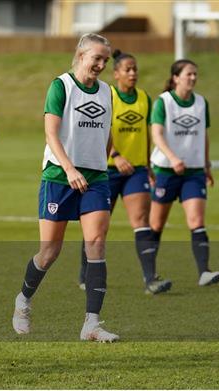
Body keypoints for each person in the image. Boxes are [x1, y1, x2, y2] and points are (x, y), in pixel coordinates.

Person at [11, 33, 119, 342]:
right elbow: (51, 133)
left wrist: (99, 162)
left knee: (96, 243)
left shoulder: (106, 92)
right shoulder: (61, 86)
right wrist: (70, 168)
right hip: (60, 176)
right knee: (50, 251)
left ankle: (92, 324)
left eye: (105, 60)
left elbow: (108, 134)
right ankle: (23, 301)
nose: (100, 64)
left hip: (96, 178)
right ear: (81, 55)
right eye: (96, 58)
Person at [78, 49, 172, 295]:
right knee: (96, 226)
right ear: (116, 73)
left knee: (141, 222)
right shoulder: (106, 95)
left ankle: (151, 279)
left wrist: (149, 165)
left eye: (135, 69)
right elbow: (97, 131)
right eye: (127, 69)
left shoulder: (144, 98)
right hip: (105, 170)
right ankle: (85, 272)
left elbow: (145, 135)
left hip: (137, 171)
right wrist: (115, 156)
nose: (133, 73)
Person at [149, 59, 219, 287]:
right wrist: (172, 158)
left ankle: (204, 272)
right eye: (188, 74)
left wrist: (206, 165)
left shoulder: (201, 103)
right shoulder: (164, 102)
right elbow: (157, 135)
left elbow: (203, 135)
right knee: (156, 225)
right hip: (165, 171)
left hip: (193, 172)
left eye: (195, 75)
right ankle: (149, 275)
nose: (192, 78)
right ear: (175, 77)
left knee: (196, 220)